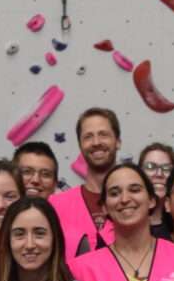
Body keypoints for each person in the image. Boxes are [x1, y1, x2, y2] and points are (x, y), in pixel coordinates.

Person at [46, 107, 119, 255]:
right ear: (80, 145)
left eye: (103, 134)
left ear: (118, 142)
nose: (96, 142)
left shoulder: (135, 202)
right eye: (88, 137)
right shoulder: (56, 205)